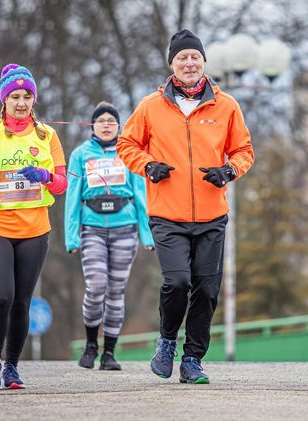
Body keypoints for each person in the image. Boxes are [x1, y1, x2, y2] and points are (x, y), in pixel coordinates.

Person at [117, 29, 254, 384]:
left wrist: (228, 171)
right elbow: (126, 144)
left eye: (195, 57)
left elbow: (244, 151)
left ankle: (192, 358)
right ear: (172, 65)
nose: (189, 63)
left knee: (206, 290)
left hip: (212, 216)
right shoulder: (150, 105)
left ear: (204, 62)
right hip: (167, 214)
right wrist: (148, 166)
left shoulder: (226, 105)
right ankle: (166, 342)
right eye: (182, 58)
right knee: (177, 281)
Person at [0, 63, 67, 390]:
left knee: (22, 301)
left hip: (35, 229)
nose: (21, 102)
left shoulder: (48, 135)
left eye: (27, 96)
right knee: (2, 296)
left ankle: (12, 367)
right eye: (15, 96)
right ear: (3, 99)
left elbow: (61, 183)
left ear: (34, 99)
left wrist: (46, 177)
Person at [64, 101, 154, 371]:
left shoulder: (129, 152)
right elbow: (72, 195)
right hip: (91, 228)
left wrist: (147, 235)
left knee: (116, 292)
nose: (106, 124)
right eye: (100, 120)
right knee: (96, 286)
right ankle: (91, 344)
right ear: (92, 125)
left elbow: (141, 192)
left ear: (118, 126)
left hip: (125, 228)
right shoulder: (81, 154)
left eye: (111, 120)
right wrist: (72, 237)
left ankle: (109, 353)